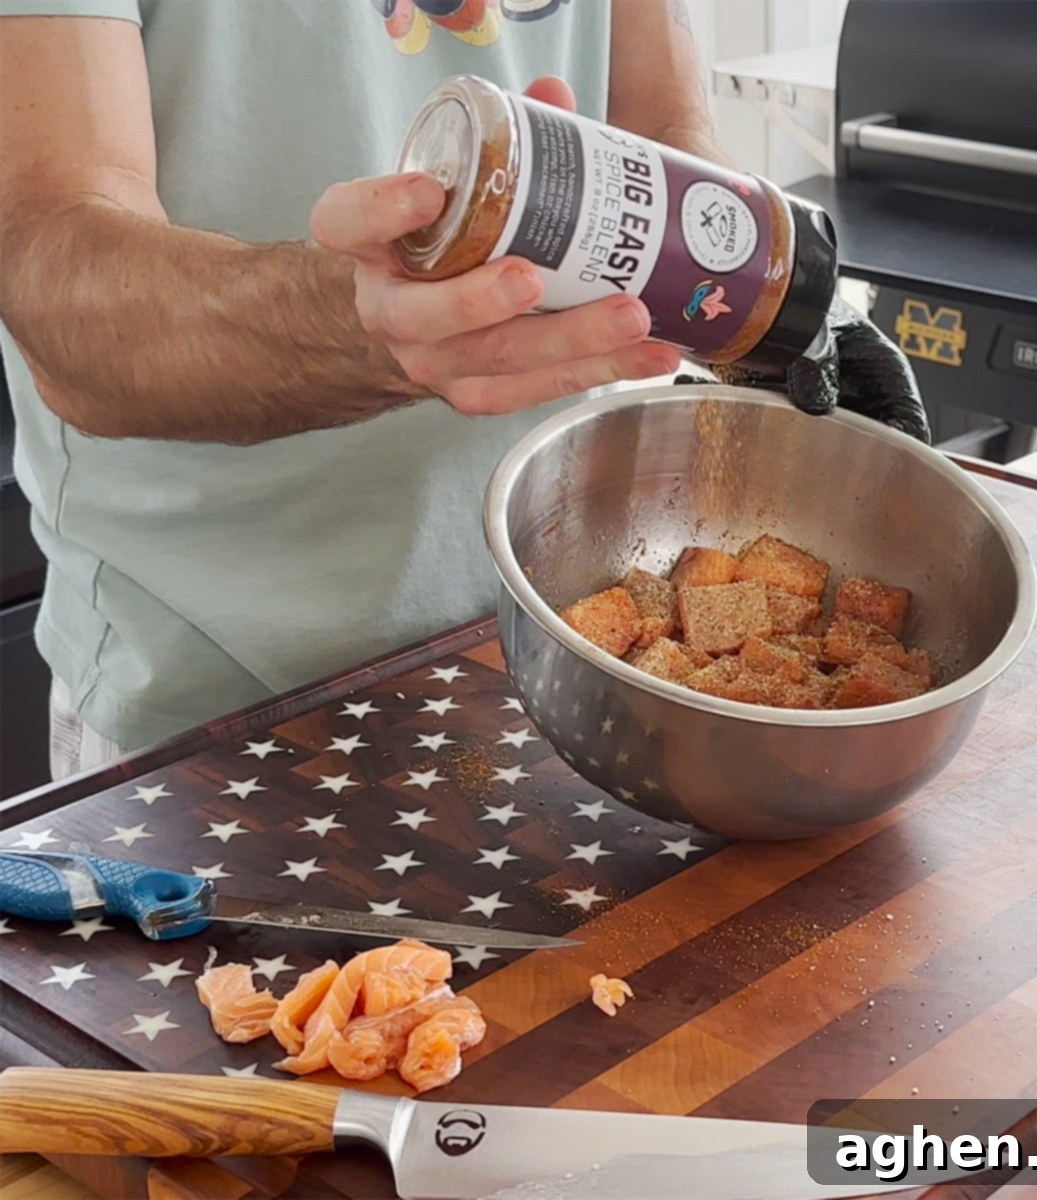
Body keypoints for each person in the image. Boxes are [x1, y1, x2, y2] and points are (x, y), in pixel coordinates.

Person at [0, 0, 725, 778]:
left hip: (556, 633)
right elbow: (60, 272)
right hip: (214, 703)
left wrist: (770, 305)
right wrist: (356, 321)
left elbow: (662, 124)